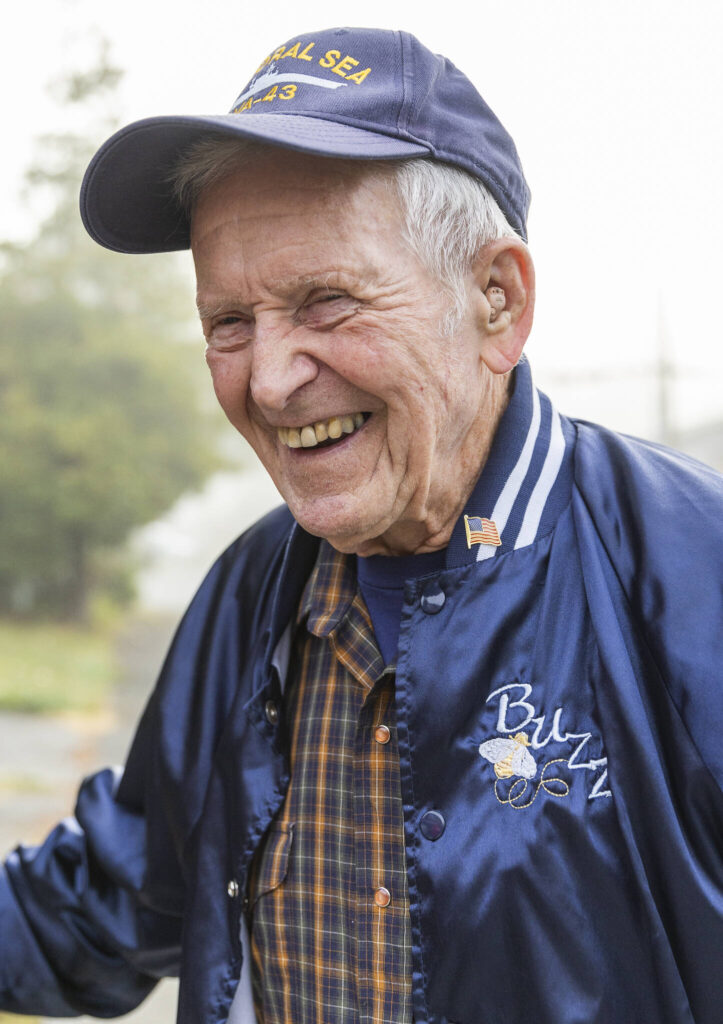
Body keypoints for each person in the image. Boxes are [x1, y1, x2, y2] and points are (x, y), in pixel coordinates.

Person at [1, 25, 722, 1024]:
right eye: (228, 323)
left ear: (498, 303)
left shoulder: (693, 576)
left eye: (326, 302)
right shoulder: (252, 593)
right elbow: (106, 904)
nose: (269, 377)